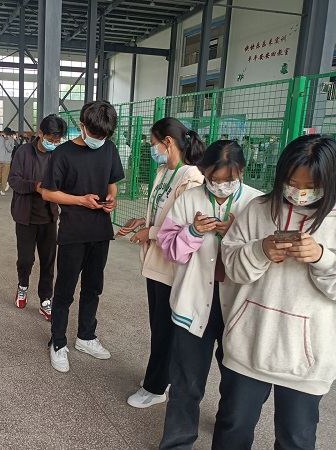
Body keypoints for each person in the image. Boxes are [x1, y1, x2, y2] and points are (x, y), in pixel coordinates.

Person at [212, 134, 336, 450]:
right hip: (248, 344)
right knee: (232, 428)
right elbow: (233, 267)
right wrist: (260, 250)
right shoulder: (258, 209)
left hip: (306, 360)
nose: (299, 193)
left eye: (311, 186)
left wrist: (322, 258)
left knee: (296, 439)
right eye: (292, 183)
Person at [155, 141, 262, 448]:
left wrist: (237, 238)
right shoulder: (189, 199)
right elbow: (169, 249)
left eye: (229, 179)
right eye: (214, 179)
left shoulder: (257, 204)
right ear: (204, 172)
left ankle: (228, 440)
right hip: (193, 304)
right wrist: (192, 232)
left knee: (237, 388)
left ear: (242, 172)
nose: (220, 185)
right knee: (186, 383)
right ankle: (177, 442)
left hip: (239, 308)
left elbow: (264, 259)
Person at [116, 117, 205, 408]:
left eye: (154, 143)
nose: (152, 149)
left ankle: (155, 388)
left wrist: (151, 232)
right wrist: (143, 222)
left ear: (168, 142)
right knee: (158, 324)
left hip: (172, 264)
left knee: (165, 328)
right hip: (155, 260)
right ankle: (158, 378)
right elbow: (162, 212)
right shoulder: (164, 171)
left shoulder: (191, 178)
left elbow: (187, 227)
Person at [42, 100, 124, 373]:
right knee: (65, 290)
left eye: (104, 136)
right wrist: (80, 200)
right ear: (82, 126)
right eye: (95, 134)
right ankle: (58, 341)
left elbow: (112, 184)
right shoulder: (63, 153)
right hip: (73, 233)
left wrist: (112, 198)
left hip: (100, 231)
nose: (99, 140)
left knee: (93, 287)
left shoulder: (109, 149)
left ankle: (86, 336)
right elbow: (48, 192)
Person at [8, 114, 66, 320]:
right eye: (51, 139)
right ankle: (22, 286)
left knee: (48, 261)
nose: (54, 144)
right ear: (40, 134)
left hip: (49, 217)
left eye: (57, 141)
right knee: (26, 259)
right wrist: (35, 186)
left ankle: (45, 299)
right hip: (26, 216)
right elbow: (13, 180)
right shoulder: (23, 152)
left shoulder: (58, 155)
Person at [0, 127, 14, 196]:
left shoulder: (11, 140)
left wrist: (7, 141)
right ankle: (5, 183)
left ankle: (3, 190)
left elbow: (10, 150)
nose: (7, 135)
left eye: (8, 134)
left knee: (5, 176)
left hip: (7, 161)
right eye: (6, 134)